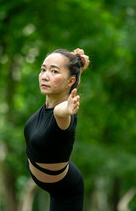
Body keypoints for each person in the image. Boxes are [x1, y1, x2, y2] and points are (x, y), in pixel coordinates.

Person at [24, 48, 90, 211]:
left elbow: (59, 113)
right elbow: (73, 79)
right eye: (43, 69)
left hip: (67, 190)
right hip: (54, 182)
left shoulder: (63, 113)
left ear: (69, 82)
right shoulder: (50, 103)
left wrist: (66, 110)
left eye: (54, 71)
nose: (45, 76)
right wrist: (80, 66)